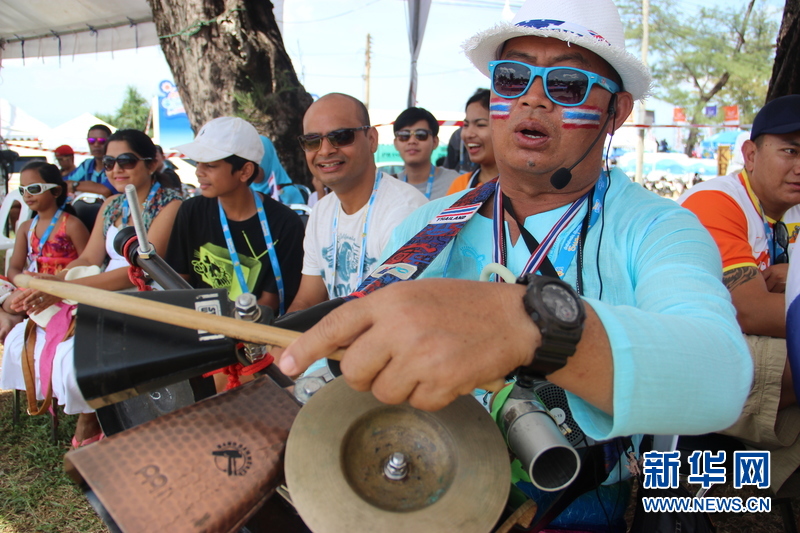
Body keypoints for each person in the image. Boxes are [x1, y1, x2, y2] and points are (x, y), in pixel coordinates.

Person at [280, 0, 751, 484]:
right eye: (511, 79)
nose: (533, 99)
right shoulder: (424, 228)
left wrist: (526, 326)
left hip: (568, 501)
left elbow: (721, 376)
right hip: (423, 479)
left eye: (566, 84)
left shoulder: (660, 228)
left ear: (616, 112)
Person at [0, 129, 183, 448]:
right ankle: (87, 407)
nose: (116, 169)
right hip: (99, 283)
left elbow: (141, 269)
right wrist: (54, 280)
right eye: (109, 162)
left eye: (126, 161)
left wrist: (68, 288)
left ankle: (91, 413)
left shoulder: (171, 204)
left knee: (81, 344)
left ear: (151, 163)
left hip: (144, 288)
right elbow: (89, 258)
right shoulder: (111, 204)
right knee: (29, 332)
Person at [679, 94, 800, 495]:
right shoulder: (717, 201)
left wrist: (791, 280)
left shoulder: (793, 209)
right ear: (750, 154)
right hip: (688, 358)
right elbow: (752, 310)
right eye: (790, 150)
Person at [287, 93, 428, 312]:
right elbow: (306, 301)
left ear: (372, 139)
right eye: (312, 141)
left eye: (341, 137)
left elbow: (398, 315)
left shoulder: (405, 212)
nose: (325, 150)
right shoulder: (321, 211)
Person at [167, 117, 305, 316]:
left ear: (245, 171)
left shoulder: (285, 224)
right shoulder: (191, 211)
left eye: (210, 165)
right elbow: (178, 280)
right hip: (197, 323)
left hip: (254, 327)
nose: (198, 172)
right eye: (198, 163)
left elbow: (270, 301)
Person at [6, 161, 89, 280]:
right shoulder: (25, 228)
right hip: (33, 285)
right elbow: (14, 267)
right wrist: (21, 281)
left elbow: (88, 263)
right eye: (22, 190)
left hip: (66, 286)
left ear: (56, 191)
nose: (27, 195)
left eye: (33, 188)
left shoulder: (72, 225)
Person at [393, 107, 459, 200]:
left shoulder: (454, 181)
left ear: (435, 142)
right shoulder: (388, 186)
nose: (412, 141)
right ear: (395, 143)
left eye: (421, 135)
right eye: (404, 135)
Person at [447, 88, 498, 194]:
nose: (468, 134)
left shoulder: (524, 186)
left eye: (480, 125)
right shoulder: (460, 185)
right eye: (466, 125)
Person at [250, 136, 308, 206]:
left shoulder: (288, 194)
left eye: (257, 159)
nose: (251, 169)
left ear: (268, 159)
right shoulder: (246, 193)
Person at [65, 124, 116, 198]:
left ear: (110, 142)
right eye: (91, 141)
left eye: (101, 141)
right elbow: (65, 183)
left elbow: (105, 190)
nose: (96, 145)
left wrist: (74, 185)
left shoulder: (116, 164)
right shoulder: (87, 165)